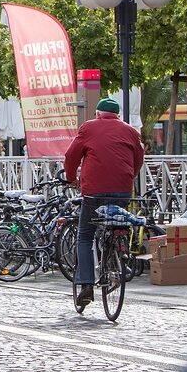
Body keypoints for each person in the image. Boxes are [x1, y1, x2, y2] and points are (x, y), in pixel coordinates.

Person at [64, 97, 145, 309]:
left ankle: (87, 284)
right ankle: (117, 254)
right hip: (122, 190)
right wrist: (129, 177)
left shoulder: (88, 128)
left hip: (94, 192)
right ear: (117, 115)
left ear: (98, 114)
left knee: (85, 235)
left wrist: (71, 177)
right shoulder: (130, 131)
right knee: (117, 223)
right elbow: (138, 158)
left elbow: (71, 155)